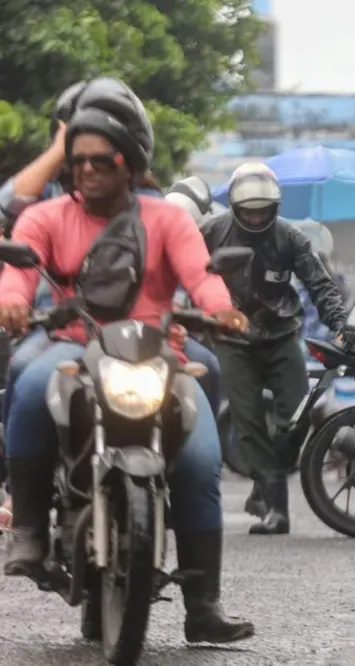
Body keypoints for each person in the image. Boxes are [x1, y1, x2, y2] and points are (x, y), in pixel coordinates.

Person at [0, 77, 254, 643]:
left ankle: (203, 606)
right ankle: (31, 534)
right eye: (79, 160)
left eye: (104, 160)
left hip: (159, 352)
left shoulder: (167, 218)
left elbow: (203, 276)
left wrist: (223, 310)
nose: (88, 171)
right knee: (32, 380)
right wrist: (13, 301)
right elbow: (18, 269)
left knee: (198, 463)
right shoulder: (45, 217)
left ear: (132, 162)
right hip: (73, 345)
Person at [201, 162, 347, 536]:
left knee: (299, 413)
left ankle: (264, 482)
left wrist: (341, 325)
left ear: (275, 207)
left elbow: (321, 285)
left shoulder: (292, 238)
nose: (255, 216)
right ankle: (277, 510)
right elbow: (183, 268)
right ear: (234, 206)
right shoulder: (211, 232)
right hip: (232, 340)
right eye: (247, 208)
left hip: (282, 336)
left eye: (262, 209)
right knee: (247, 422)